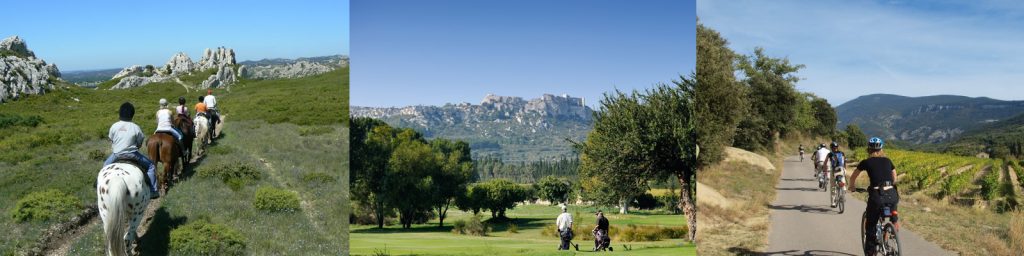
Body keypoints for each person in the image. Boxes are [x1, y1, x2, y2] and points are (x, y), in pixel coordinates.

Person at [848, 137, 899, 255]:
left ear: (868, 149)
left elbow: (853, 177)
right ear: (881, 149)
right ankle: (893, 228)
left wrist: (852, 187)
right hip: (892, 194)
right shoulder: (888, 160)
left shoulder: (866, 162)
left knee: (870, 226)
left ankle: (871, 252)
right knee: (893, 213)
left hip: (877, 196)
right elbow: (894, 178)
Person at [103, 102, 159, 199]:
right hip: (133, 154)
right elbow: (140, 141)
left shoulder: (114, 126)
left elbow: (111, 139)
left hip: (117, 154)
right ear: (132, 114)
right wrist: (136, 145)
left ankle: (98, 184)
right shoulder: (135, 127)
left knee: (104, 167)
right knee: (151, 166)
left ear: (120, 113)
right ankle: (153, 190)